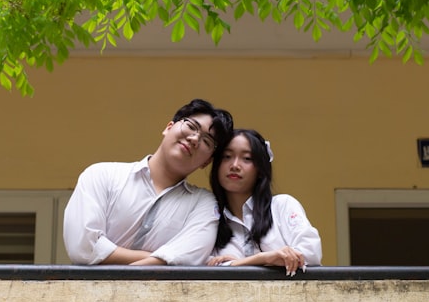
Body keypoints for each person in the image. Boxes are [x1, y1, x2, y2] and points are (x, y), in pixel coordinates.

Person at [63, 98, 233, 265]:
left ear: (207, 162)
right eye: (191, 126)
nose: (194, 139)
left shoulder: (203, 204)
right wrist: (156, 259)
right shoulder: (101, 175)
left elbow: (187, 258)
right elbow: (82, 246)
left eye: (206, 141)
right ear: (169, 127)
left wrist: (111, 259)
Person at [207, 128, 322, 276]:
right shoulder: (209, 216)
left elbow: (310, 253)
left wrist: (235, 264)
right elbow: (203, 267)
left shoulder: (282, 206)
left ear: (260, 170)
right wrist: (266, 258)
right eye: (227, 156)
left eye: (247, 158)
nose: (234, 165)